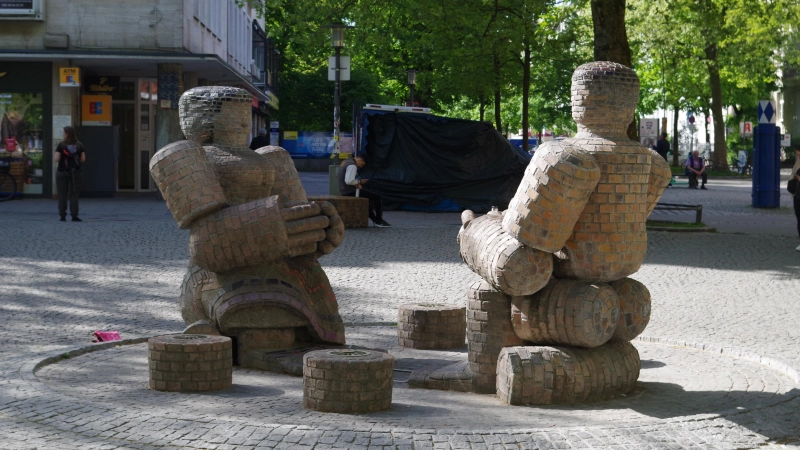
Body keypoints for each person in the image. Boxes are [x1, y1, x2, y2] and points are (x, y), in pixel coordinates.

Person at [338, 154, 391, 227]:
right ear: (360, 160)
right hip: (350, 191)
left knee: (367, 201)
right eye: (362, 164)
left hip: (344, 190)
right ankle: (379, 219)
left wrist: (356, 184)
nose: (361, 166)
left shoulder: (346, 162)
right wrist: (359, 182)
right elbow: (349, 181)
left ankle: (376, 220)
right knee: (377, 197)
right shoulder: (352, 165)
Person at [54, 126, 85, 222]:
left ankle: (62, 216)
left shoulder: (61, 145)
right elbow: (83, 159)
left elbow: (57, 159)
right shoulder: (79, 145)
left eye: (63, 132)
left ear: (67, 134)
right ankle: (74, 215)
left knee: (62, 194)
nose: (62, 134)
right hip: (75, 173)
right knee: (74, 194)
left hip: (62, 172)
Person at [792, 147, 800, 251]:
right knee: (799, 218)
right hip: (797, 194)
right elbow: (792, 173)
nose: (798, 157)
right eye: (797, 154)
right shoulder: (797, 163)